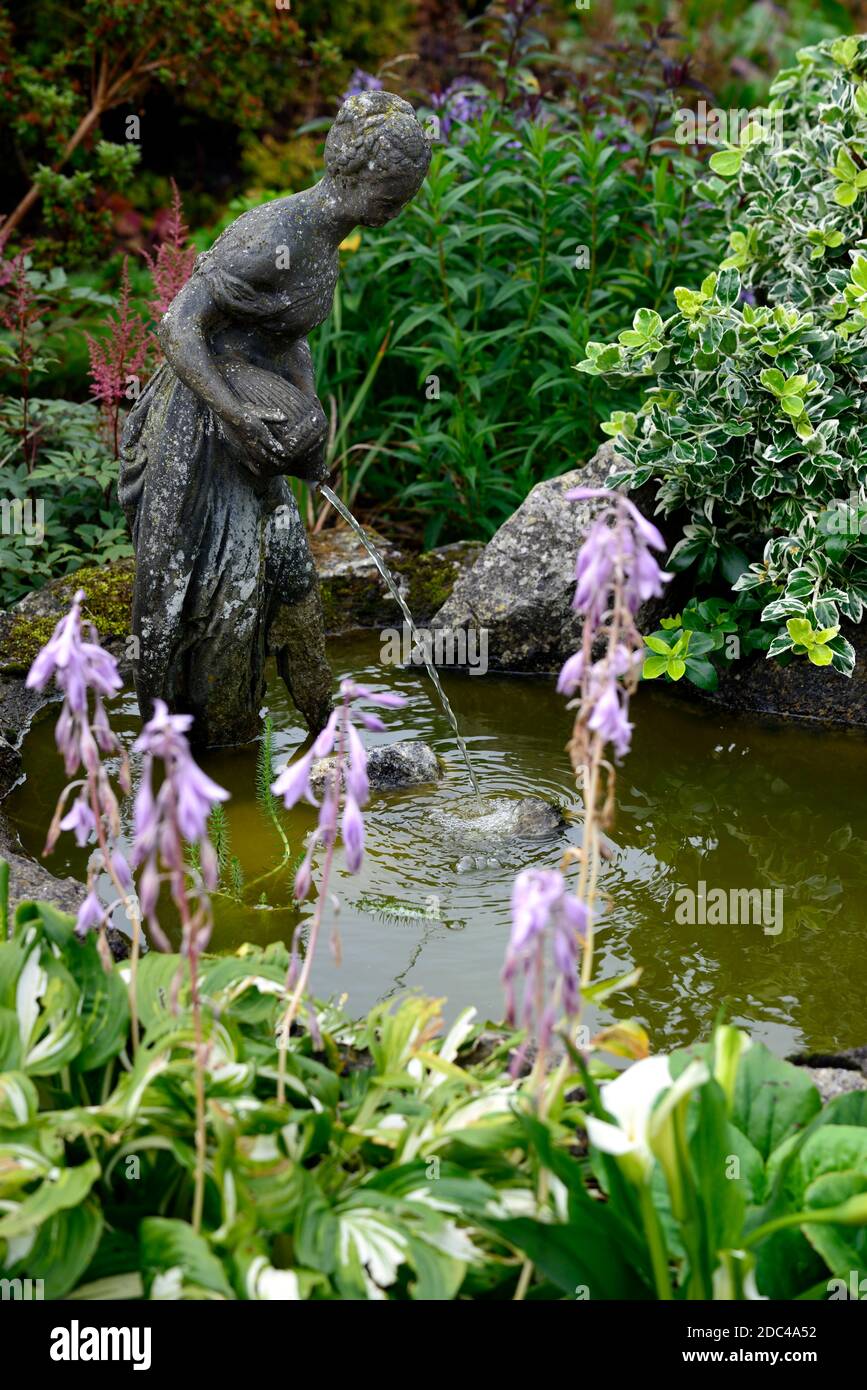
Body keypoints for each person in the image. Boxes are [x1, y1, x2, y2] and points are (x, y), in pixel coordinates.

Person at [119, 91, 431, 746]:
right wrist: (235, 416)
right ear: (350, 172)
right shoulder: (272, 235)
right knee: (224, 599)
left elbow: (289, 336)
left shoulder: (324, 240)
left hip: (258, 423)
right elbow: (176, 327)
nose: (396, 211)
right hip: (203, 424)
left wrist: (308, 413)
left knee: (290, 576)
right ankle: (207, 761)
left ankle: (328, 734)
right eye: (390, 194)